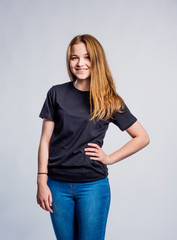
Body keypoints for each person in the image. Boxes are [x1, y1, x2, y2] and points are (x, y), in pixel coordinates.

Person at [36, 34, 150, 240]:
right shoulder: (56, 93)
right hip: (57, 186)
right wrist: (41, 181)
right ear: (69, 60)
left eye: (87, 57)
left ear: (96, 60)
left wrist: (109, 158)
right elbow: (45, 140)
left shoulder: (109, 99)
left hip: (93, 187)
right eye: (74, 57)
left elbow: (142, 137)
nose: (80, 63)